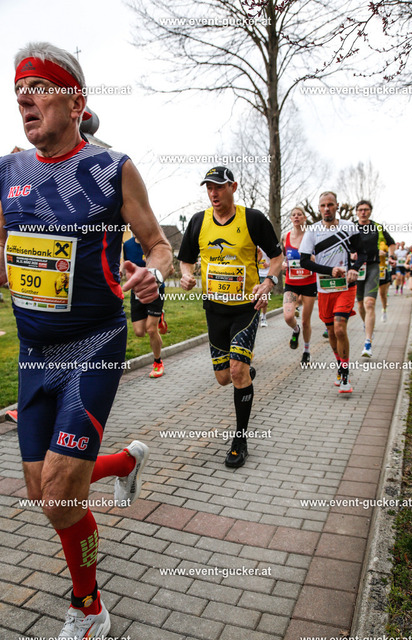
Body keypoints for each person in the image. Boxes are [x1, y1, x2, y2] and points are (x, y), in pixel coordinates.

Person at [0, 42, 172, 640]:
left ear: (75, 103)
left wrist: (153, 273)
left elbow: (158, 244)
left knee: (59, 492)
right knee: (42, 491)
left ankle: (89, 605)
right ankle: (124, 462)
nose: (24, 99)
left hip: (93, 345)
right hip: (33, 353)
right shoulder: (7, 172)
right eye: (18, 91)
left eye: (38, 89)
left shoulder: (111, 168)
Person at [178, 166, 282, 468]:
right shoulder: (198, 221)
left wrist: (269, 282)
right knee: (224, 378)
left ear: (233, 187)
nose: (213, 193)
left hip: (245, 308)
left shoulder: (253, 219)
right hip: (214, 309)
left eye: (219, 187)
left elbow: (277, 258)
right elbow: (186, 260)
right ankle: (244, 374)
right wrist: (186, 276)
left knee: (236, 371)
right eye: (209, 187)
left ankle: (240, 440)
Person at [299, 191, 367, 393]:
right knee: (330, 331)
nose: (326, 208)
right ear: (319, 208)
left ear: (337, 206)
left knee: (339, 328)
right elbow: (304, 261)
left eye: (330, 204)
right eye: (323, 205)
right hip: (325, 287)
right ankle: (340, 365)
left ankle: (345, 373)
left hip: (346, 286)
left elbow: (362, 253)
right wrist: (330, 270)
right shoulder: (312, 230)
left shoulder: (349, 227)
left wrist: (354, 268)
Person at [122, 234, 168, 378]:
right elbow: (127, 267)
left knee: (151, 329)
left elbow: (168, 267)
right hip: (137, 291)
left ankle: (158, 362)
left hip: (156, 289)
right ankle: (160, 316)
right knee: (139, 332)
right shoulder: (127, 245)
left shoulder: (155, 242)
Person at [354, 200, 395, 357]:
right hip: (357, 268)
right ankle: (367, 325)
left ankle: (368, 342)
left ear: (370, 211)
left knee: (369, 303)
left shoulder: (377, 227)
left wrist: (390, 255)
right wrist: (350, 253)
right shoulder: (351, 227)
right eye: (360, 210)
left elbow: (391, 243)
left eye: (366, 209)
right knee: (360, 305)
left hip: (373, 266)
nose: (363, 212)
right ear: (356, 212)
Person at [282, 207, 317, 364]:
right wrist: (283, 264)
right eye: (293, 215)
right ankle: (296, 330)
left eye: (299, 214)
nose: (296, 217)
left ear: (304, 218)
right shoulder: (286, 237)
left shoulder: (311, 236)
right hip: (292, 283)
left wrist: (313, 259)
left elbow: (319, 257)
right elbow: (284, 256)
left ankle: (306, 351)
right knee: (288, 316)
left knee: (305, 320)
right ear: (291, 218)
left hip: (309, 283)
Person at [257, 246, 270, 326]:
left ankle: (263, 318)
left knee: (264, 297)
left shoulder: (267, 245)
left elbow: (275, 259)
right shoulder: (256, 245)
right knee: (255, 296)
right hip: (257, 274)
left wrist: (268, 264)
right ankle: (256, 317)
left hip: (266, 274)